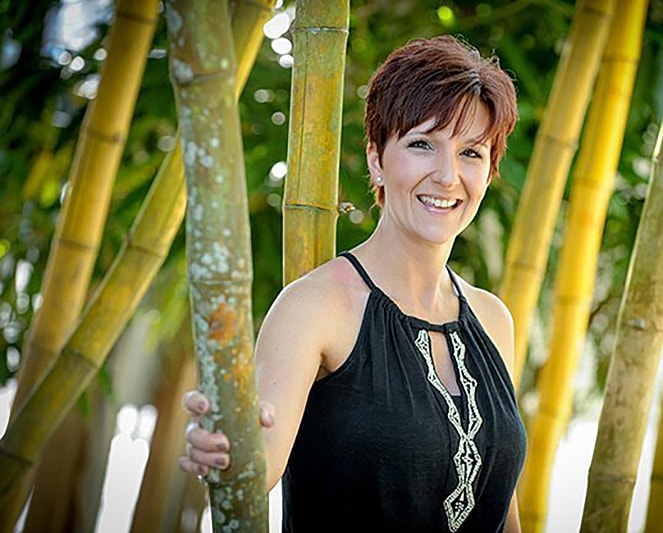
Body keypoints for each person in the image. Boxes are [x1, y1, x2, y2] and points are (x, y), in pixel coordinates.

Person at [180, 34, 526, 532]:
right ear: (376, 159)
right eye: (422, 144)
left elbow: (503, 514)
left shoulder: (493, 319)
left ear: (490, 171)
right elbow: (254, 465)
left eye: (471, 153)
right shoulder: (315, 307)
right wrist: (221, 445)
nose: (448, 175)